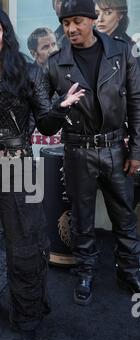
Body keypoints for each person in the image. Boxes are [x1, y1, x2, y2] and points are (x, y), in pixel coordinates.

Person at [0, 6, 84, 340]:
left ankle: (27, 314)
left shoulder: (27, 72)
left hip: (17, 167)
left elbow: (44, 123)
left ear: (5, 34)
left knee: (25, 245)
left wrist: (60, 108)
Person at [43, 0, 140, 305]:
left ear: (91, 19)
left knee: (124, 217)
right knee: (82, 219)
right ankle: (85, 273)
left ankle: (130, 271)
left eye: (77, 21)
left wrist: (136, 151)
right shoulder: (55, 62)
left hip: (115, 148)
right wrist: (60, 107)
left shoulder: (122, 52)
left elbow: (136, 102)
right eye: (65, 23)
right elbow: (44, 117)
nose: (70, 28)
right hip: (78, 151)